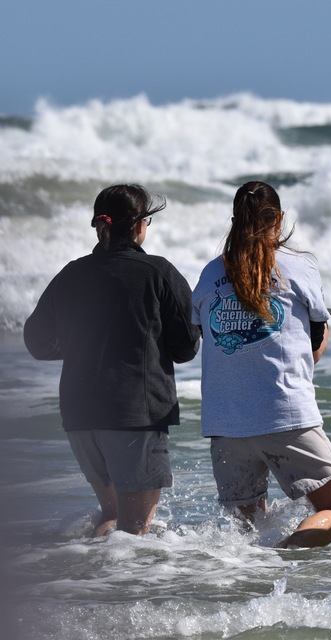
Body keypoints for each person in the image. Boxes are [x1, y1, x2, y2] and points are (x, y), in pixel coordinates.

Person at [23, 184, 200, 536]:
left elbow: (36, 342)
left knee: (112, 515)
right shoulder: (158, 272)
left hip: (80, 416)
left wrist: (79, 346)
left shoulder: (71, 273)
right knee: (134, 531)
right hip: (135, 415)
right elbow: (186, 348)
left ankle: (89, 582)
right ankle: (116, 589)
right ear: (139, 226)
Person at [192, 181, 331, 548]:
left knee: (246, 536)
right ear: (278, 219)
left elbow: (213, 341)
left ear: (235, 220)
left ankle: (257, 579)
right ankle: (285, 555)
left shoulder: (208, 274)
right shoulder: (298, 266)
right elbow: (313, 348)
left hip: (224, 424)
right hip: (284, 415)